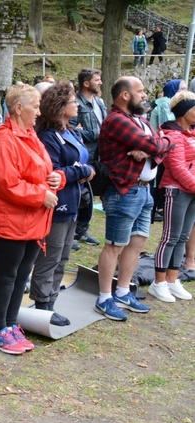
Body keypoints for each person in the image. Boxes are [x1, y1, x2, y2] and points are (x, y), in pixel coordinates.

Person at [0, 83, 64, 355]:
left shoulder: (30, 135)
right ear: (18, 108)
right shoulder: (3, 140)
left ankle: (11, 323)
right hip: (9, 221)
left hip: (31, 220)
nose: (39, 112)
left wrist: (57, 178)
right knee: (5, 276)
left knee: (20, 277)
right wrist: (41, 196)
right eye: (35, 106)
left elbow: (39, 170)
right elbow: (7, 183)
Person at [95, 76, 174, 321]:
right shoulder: (116, 119)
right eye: (139, 91)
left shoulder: (139, 120)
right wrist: (153, 145)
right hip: (124, 189)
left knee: (138, 242)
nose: (144, 95)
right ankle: (104, 297)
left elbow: (165, 143)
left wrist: (153, 148)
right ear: (125, 95)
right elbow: (152, 142)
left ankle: (122, 291)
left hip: (144, 189)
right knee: (114, 245)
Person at [32, 81, 95, 326]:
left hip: (74, 202)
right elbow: (53, 173)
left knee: (64, 256)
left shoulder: (70, 131)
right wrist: (80, 172)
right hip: (57, 205)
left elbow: (85, 165)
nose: (77, 104)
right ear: (60, 106)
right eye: (72, 101)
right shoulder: (48, 136)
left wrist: (84, 169)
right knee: (50, 256)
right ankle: (41, 304)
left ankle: (51, 301)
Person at [148, 91, 195, 302]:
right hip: (176, 190)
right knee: (170, 237)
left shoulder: (191, 133)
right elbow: (176, 167)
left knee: (183, 237)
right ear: (184, 113)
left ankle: (172, 278)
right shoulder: (172, 134)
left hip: (191, 191)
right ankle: (158, 282)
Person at [70, 68, 106, 248]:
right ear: (86, 83)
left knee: (89, 196)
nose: (100, 83)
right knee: (77, 194)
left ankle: (81, 231)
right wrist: (94, 133)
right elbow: (70, 130)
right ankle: (70, 233)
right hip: (83, 155)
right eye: (97, 80)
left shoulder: (99, 102)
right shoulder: (75, 103)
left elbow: (105, 126)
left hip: (98, 156)